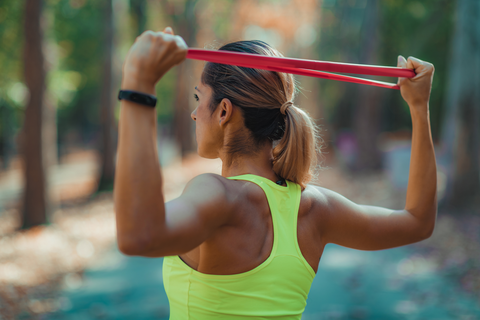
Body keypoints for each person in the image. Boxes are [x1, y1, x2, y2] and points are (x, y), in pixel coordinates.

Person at [114, 26, 437, 319]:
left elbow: (139, 235)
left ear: (224, 111)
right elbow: (418, 222)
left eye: (200, 99)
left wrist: (139, 85)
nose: (194, 113)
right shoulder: (316, 208)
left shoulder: (216, 195)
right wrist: (419, 109)